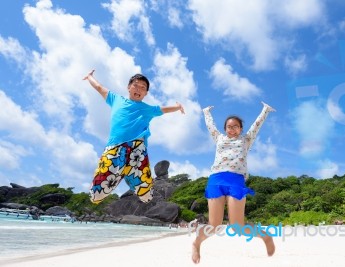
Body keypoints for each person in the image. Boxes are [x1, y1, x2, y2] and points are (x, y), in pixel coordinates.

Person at [83, 69, 185, 204]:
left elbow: (164, 109)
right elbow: (99, 87)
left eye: (143, 88)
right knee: (96, 195)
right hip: (115, 148)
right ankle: (121, 175)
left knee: (146, 195)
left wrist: (178, 107)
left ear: (146, 93)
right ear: (129, 87)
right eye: (136, 85)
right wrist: (90, 77)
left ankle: (131, 178)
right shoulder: (115, 99)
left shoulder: (147, 109)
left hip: (137, 150)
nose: (139, 89)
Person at [192, 102, 276, 264]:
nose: (232, 129)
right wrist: (206, 112)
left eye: (235, 126)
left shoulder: (246, 139)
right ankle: (196, 244)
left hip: (236, 180)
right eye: (229, 127)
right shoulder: (219, 138)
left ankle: (265, 237)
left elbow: (257, 125)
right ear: (225, 129)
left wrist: (265, 110)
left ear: (241, 129)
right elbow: (211, 126)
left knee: (237, 226)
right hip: (216, 179)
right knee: (214, 225)